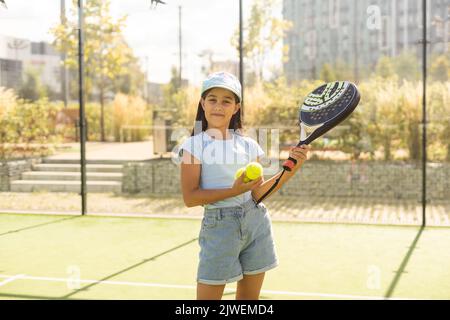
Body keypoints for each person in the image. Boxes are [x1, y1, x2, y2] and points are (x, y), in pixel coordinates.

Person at [178, 71, 310, 300]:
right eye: (212, 99)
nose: (218, 106)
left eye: (226, 101)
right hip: (219, 228)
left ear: (236, 107)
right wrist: (234, 191)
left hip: (256, 223)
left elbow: (257, 194)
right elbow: (190, 198)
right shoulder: (192, 146)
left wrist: (292, 167)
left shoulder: (249, 145)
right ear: (202, 103)